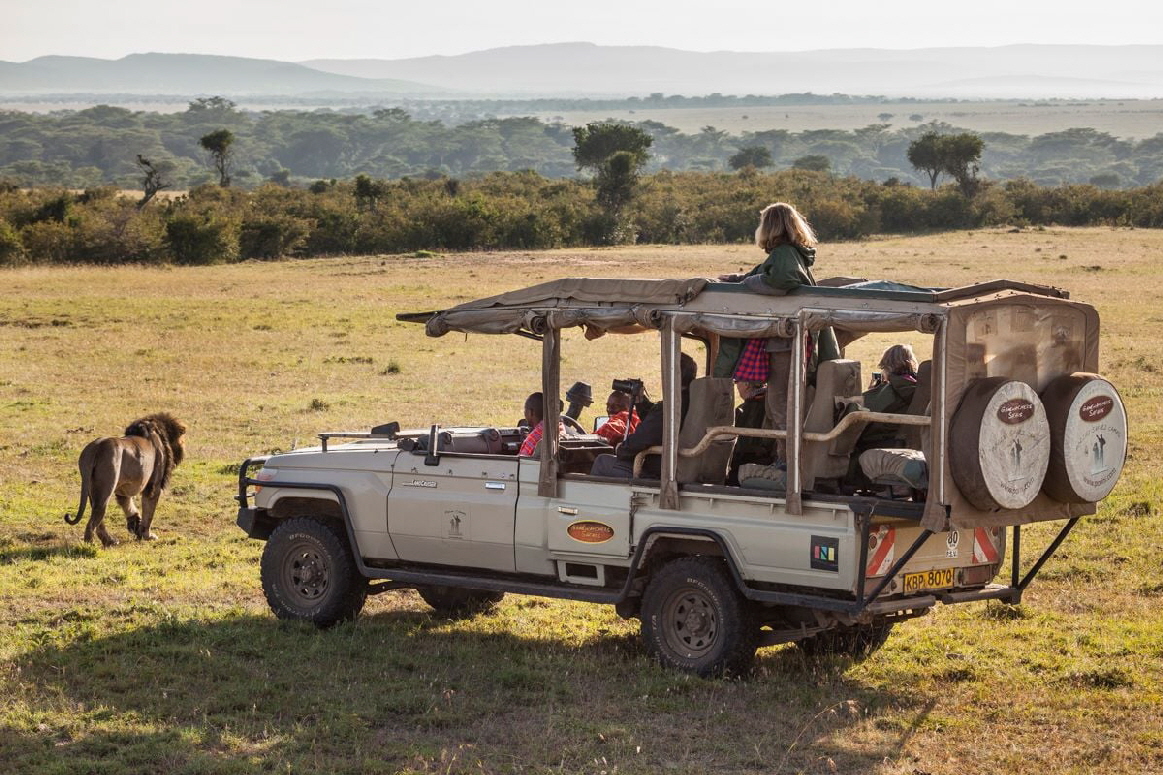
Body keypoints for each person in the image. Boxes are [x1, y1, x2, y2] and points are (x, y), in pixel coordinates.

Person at [715, 202, 840, 464]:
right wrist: (739, 279)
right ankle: (785, 460)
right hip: (786, 342)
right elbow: (767, 274)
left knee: (782, 404)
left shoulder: (784, 253)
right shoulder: (791, 254)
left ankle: (789, 464)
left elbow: (781, 281)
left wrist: (748, 282)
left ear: (769, 227)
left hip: (785, 343)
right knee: (778, 404)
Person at [590, 353, 697, 479]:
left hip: (658, 472)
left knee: (602, 462)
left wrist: (621, 449)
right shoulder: (690, 400)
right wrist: (640, 402)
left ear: (671, 375)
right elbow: (658, 424)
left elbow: (642, 438)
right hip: (676, 467)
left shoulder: (672, 406)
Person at [856, 343, 919, 451]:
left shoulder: (887, 391)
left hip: (880, 443)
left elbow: (863, 416)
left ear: (887, 367)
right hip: (908, 441)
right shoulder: (919, 387)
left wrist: (872, 392)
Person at [726, 381, 774, 486]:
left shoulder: (747, 409)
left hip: (751, 463)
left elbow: (742, 446)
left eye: (737, 382)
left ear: (746, 384)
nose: (736, 386)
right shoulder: (773, 404)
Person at [518, 392, 564, 457]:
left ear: (531, 412)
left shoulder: (534, 438)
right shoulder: (560, 428)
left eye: (525, 410)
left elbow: (520, 461)